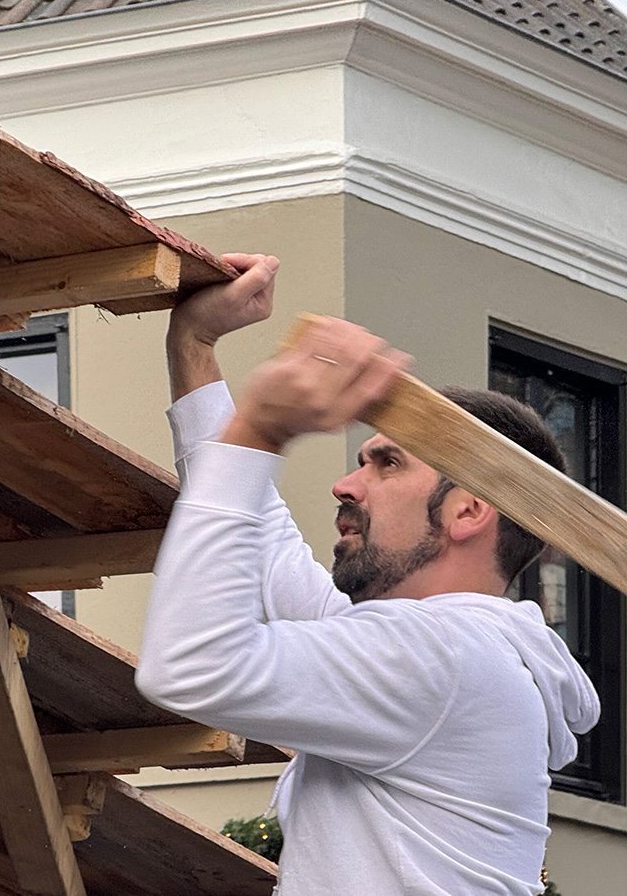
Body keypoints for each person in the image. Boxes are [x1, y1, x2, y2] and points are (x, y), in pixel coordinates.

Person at [135, 254, 601, 896]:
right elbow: (260, 537)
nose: (345, 484)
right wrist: (195, 343)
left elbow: (190, 668)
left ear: (468, 510)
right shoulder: (439, 654)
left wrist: (263, 428)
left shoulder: (443, 660)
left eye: (386, 465)